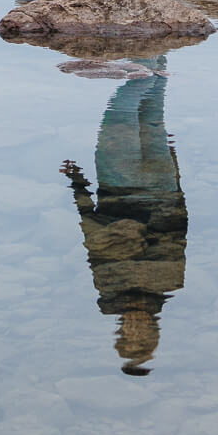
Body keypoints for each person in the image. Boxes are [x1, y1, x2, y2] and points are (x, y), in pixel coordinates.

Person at [60, 64, 188, 375]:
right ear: (151, 333)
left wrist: (173, 170)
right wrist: (78, 186)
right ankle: (148, 44)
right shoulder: (116, 290)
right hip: (124, 186)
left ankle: (156, 41)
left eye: (128, 339)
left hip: (161, 187)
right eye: (140, 339)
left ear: (120, 334)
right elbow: (92, 234)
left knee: (152, 105)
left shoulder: (169, 284)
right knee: (126, 105)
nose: (134, 332)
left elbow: (180, 223)